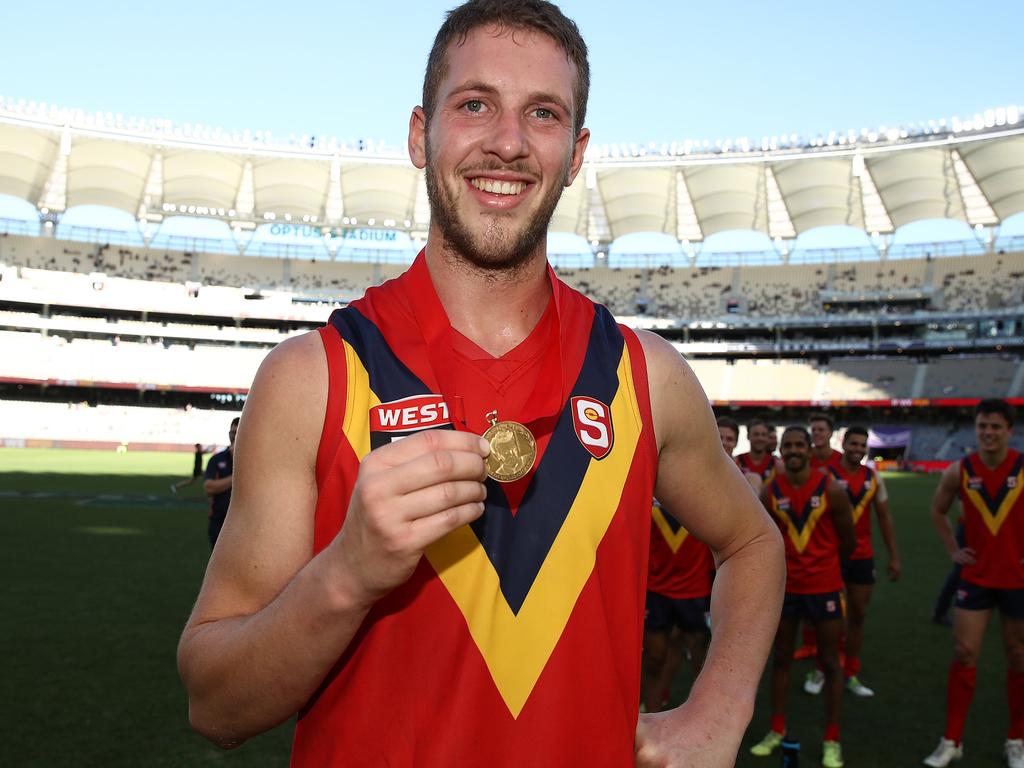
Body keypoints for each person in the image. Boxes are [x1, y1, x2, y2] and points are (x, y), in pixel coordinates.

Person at [177, 3, 785, 765]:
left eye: (543, 113)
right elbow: (216, 705)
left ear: (576, 152)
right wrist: (345, 575)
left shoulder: (644, 376)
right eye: (474, 105)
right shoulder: (314, 379)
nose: (507, 142)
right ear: (417, 134)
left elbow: (754, 541)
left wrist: (720, 707)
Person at [923, 399, 1024, 768]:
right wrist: (954, 549)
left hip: (1017, 579)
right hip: (976, 578)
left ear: (1009, 431)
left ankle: (1016, 739)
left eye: (996, 426)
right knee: (965, 653)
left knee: (1018, 657)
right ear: (976, 429)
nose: (989, 433)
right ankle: (952, 739)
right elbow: (937, 509)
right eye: (983, 426)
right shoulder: (960, 470)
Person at [750, 426, 855, 768]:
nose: (793, 451)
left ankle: (832, 738)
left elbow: (848, 540)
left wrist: (823, 567)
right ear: (780, 451)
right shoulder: (770, 490)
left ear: (810, 450)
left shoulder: (832, 490)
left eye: (799, 445)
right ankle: (777, 729)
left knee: (830, 663)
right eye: (787, 446)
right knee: (780, 659)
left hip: (823, 589)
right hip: (786, 590)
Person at [803, 425, 901, 698]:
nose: (858, 449)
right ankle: (821, 669)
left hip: (861, 557)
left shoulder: (873, 477)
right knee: (828, 619)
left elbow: (883, 517)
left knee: (857, 615)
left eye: (862, 445)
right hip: (830, 556)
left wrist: (894, 555)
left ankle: (852, 672)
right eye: (853, 444)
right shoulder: (825, 475)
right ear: (843, 445)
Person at [641, 499, 714, 713]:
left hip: (696, 590)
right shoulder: (647, 482)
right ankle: (651, 719)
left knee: (701, 663)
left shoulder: (706, 480)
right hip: (656, 590)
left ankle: (702, 719)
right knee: (654, 658)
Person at [202, 419, 237, 548]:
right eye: (232, 433)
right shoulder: (217, 459)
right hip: (219, 521)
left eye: (238, 433)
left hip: (243, 523)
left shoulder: (255, 461)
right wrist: (236, 477)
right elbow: (209, 488)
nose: (234, 436)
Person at [718, 415, 764, 492]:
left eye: (729, 439)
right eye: (719, 438)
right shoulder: (697, 470)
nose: (723, 443)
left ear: (736, 443)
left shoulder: (750, 478)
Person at [736, 417, 780, 482]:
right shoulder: (737, 461)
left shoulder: (777, 464)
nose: (760, 438)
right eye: (756, 434)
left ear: (767, 437)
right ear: (748, 436)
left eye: (763, 435)